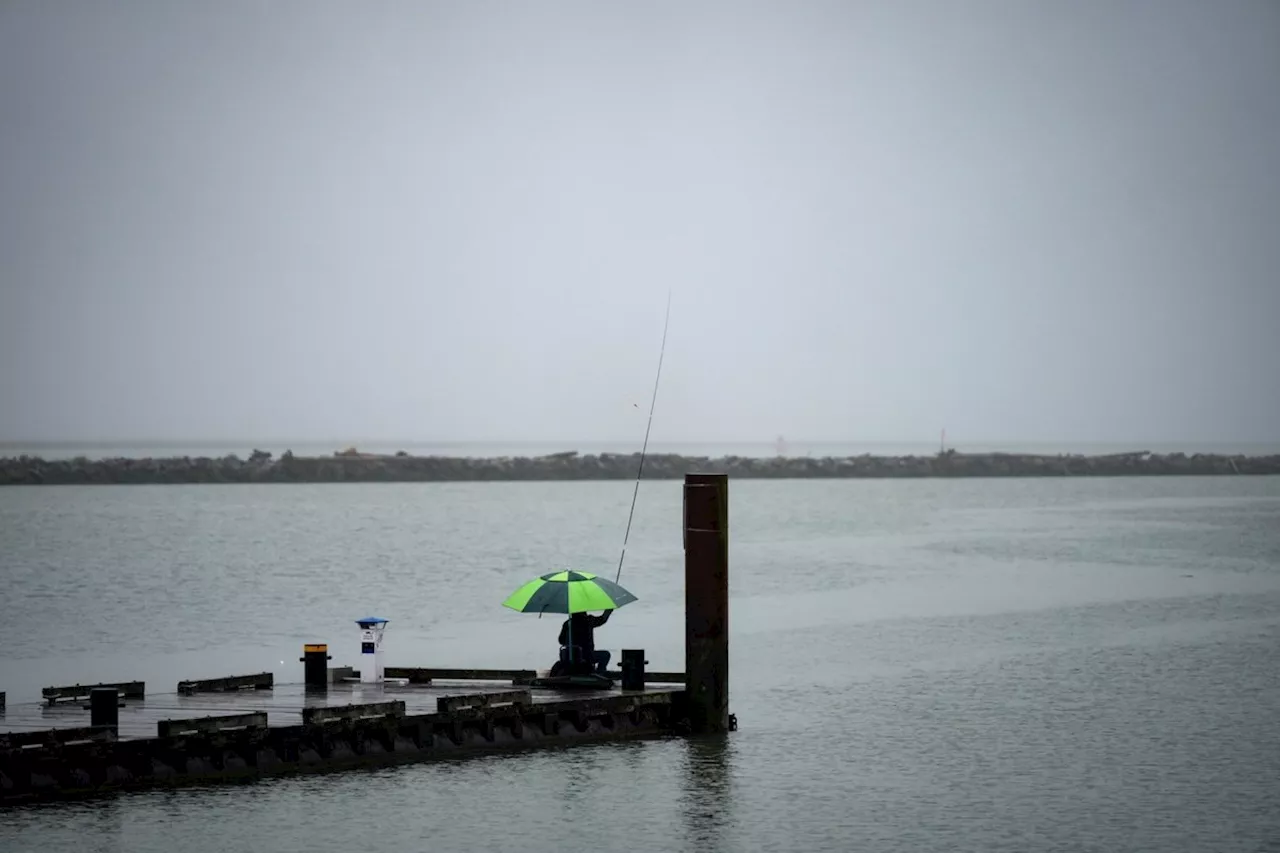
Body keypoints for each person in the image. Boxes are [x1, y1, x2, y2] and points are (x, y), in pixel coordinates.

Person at [558, 610, 611, 675]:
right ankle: (600, 673)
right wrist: (608, 611)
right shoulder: (588, 621)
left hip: (569, 656)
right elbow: (602, 619)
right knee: (606, 655)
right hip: (587, 656)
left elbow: (561, 640)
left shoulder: (567, 623)